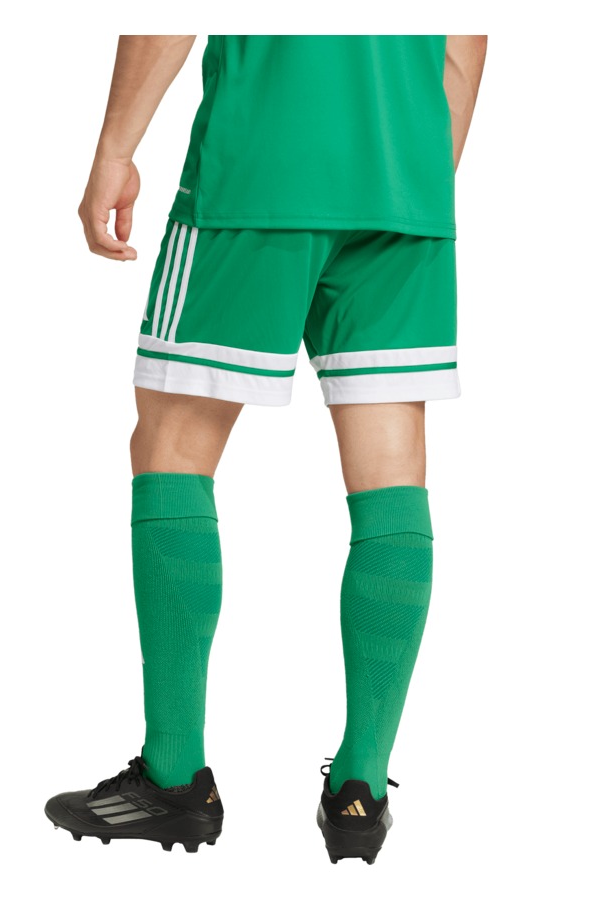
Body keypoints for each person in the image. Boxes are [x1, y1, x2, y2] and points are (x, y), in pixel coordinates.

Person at [45, 34, 487, 865]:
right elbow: (464, 40)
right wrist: (412, 178)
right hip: (405, 187)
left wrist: (114, 150)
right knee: (392, 474)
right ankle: (359, 789)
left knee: (172, 443)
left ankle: (174, 778)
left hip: (258, 168)